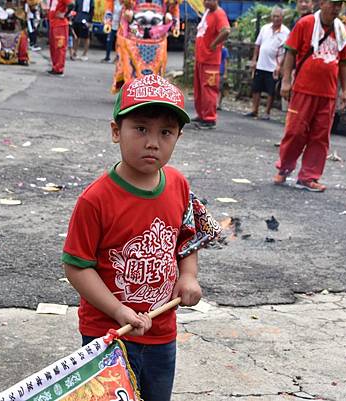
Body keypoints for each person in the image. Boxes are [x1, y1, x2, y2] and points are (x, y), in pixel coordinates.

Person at [62, 75, 201, 401]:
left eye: (165, 132)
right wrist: (118, 310)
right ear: (116, 132)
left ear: (178, 137)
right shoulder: (95, 200)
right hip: (109, 334)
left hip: (161, 333)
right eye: (141, 129)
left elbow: (187, 238)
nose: (153, 142)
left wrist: (189, 276)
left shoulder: (179, 185)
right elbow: (77, 267)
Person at [274, 0, 346, 192]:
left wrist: (345, 91)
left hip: (328, 93)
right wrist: (286, 81)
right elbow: (290, 52)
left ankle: (309, 176)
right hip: (303, 90)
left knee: (320, 136)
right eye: (333, 4)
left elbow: (344, 63)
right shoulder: (305, 24)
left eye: (339, 5)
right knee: (295, 131)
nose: (336, 8)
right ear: (322, 3)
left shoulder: (343, 31)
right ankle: (284, 168)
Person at [192, 0, 230, 129]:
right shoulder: (208, 13)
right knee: (199, 89)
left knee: (208, 89)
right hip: (201, 58)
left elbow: (226, 31)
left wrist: (213, 45)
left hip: (210, 60)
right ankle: (202, 114)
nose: (206, 2)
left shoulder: (219, 14)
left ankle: (209, 118)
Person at [246, 7, 289, 120]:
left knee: (271, 90)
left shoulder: (285, 32)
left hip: (274, 65)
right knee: (256, 88)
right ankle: (254, 110)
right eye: (274, 16)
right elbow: (257, 45)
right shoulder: (265, 28)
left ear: (282, 18)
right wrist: (255, 60)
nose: (275, 19)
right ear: (271, 17)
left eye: (278, 16)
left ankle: (267, 112)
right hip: (261, 63)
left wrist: (280, 65)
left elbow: (286, 51)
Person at [48, 0, 74, 74]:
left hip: (60, 25)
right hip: (53, 24)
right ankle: (55, 66)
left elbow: (71, 5)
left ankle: (59, 68)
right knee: (53, 47)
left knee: (60, 47)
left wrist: (65, 15)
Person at [217, 45, 228, 110]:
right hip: (215, 69)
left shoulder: (224, 50)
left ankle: (218, 103)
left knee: (220, 88)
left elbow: (225, 61)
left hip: (220, 70)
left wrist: (225, 72)